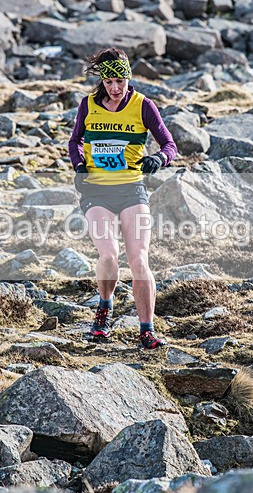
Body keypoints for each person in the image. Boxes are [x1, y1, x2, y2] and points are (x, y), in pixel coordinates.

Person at [68, 47, 178, 350]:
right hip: (97, 192)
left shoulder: (143, 105)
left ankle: (147, 330)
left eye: (121, 82)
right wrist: (79, 165)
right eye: (109, 83)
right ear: (102, 81)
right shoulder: (88, 105)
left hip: (132, 190)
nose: (115, 89)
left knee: (139, 260)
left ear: (129, 78)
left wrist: (159, 160)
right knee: (108, 256)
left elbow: (169, 144)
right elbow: (75, 141)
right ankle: (104, 309)